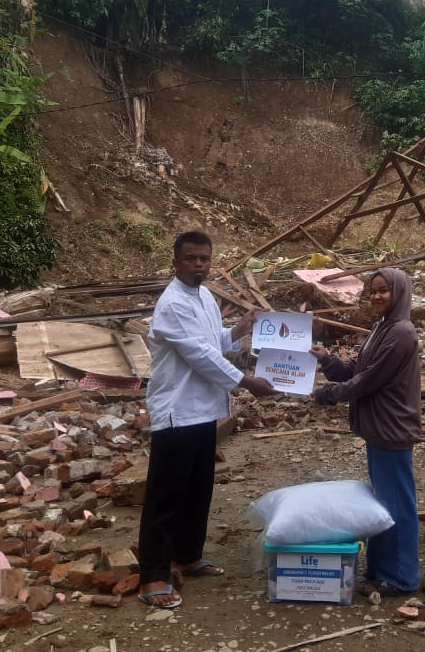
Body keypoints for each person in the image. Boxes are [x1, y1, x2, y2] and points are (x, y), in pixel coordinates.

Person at [138, 231, 276, 609]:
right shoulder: (172, 304)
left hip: (203, 410)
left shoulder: (204, 297)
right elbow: (199, 355)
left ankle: (187, 554)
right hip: (177, 410)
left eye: (204, 259)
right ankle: (152, 575)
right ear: (176, 262)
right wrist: (247, 382)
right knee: (166, 496)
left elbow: (214, 343)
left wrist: (240, 330)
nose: (199, 264)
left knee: (198, 488)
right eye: (191, 259)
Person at [311, 267, 421, 596]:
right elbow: (359, 370)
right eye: (372, 290)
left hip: (391, 429)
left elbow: (365, 382)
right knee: (384, 503)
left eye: (383, 290)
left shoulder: (401, 332)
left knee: (396, 506)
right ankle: (381, 571)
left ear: (398, 292)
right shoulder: (382, 327)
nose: (376, 296)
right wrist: (327, 360)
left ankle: (401, 578)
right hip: (379, 429)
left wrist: (323, 395)